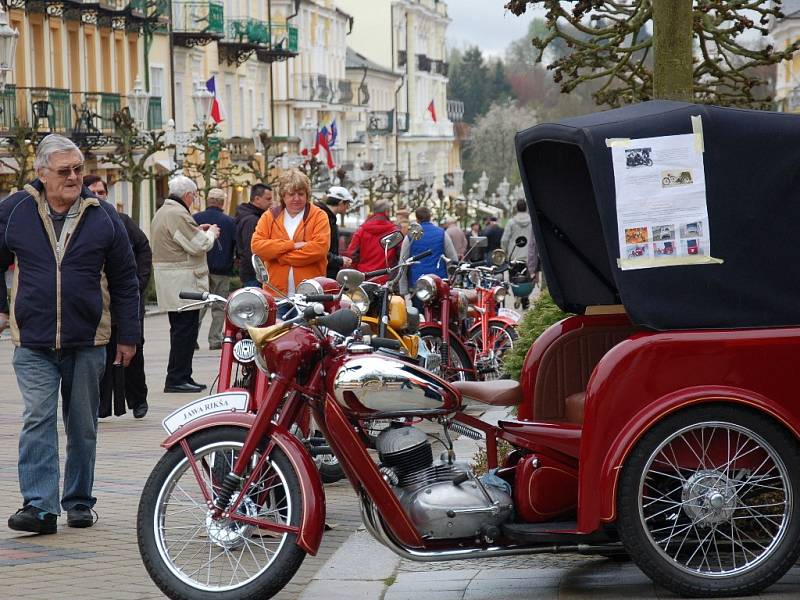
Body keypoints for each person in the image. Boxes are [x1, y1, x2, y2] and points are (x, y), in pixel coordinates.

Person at [0, 134, 139, 534]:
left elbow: (126, 279)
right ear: (42, 174)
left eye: (78, 168)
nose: (75, 177)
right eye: (65, 171)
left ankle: (78, 500)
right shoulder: (16, 210)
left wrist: (128, 336)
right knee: (38, 418)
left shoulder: (103, 215)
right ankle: (40, 507)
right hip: (34, 340)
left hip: (88, 339)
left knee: (82, 425)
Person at [83, 175, 152, 419]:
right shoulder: (80, 224)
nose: (100, 196)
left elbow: (144, 248)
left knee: (133, 352)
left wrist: (139, 283)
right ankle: (102, 406)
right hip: (99, 305)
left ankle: (138, 401)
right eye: (94, 191)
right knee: (100, 355)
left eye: (102, 192)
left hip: (127, 301)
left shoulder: (121, 220)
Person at [151, 175, 220, 393]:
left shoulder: (165, 211)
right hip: (183, 283)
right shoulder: (178, 213)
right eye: (194, 196)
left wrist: (197, 229)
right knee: (184, 332)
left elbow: (179, 240)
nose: (194, 200)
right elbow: (198, 246)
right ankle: (177, 378)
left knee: (183, 332)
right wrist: (210, 233)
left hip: (174, 281)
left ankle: (183, 375)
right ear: (188, 195)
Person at [251, 169, 329, 308]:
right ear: (283, 195)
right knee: (277, 330)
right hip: (275, 294)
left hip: (309, 295)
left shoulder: (319, 216)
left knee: (307, 330)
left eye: (301, 194)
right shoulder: (269, 216)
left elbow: (319, 249)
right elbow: (257, 246)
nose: (296, 199)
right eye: (291, 194)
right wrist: (291, 245)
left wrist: (280, 257)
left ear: (307, 194)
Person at [194, 188, 236, 350]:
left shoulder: (195, 218)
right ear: (222, 203)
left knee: (200, 305)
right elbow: (235, 245)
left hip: (200, 269)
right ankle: (215, 339)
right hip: (222, 269)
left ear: (208, 200)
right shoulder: (230, 221)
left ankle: (192, 339)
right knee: (219, 307)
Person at [398, 207, 458, 308]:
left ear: (417, 219)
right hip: (439, 282)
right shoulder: (442, 234)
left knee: (421, 317)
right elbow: (453, 258)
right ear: (430, 217)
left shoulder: (410, 236)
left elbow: (402, 263)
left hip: (418, 284)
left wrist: (403, 290)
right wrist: (452, 282)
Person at [345, 199, 400, 277]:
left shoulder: (361, 230)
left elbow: (352, 254)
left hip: (365, 275)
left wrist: (356, 271)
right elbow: (400, 255)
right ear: (387, 212)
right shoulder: (394, 231)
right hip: (386, 276)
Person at [236, 183, 271, 287]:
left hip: (250, 273)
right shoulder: (252, 220)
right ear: (257, 199)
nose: (271, 202)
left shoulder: (249, 216)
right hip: (254, 274)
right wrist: (260, 271)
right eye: (268, 199)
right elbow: (250, 249)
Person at [315, 185, 353, 279]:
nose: (348, 207)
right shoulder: (325, 219)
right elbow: (319, 250)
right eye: (347, 204)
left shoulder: (327, 218)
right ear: (340, 203)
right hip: (323, 273)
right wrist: (340, 260)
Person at [501, 198, 534, 263]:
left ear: (516, 208)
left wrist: (505, 252)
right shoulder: (532, 222)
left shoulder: (511, 222)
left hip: (514, 257)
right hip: (529, 256)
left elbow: (504, 240)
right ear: (526, 208)